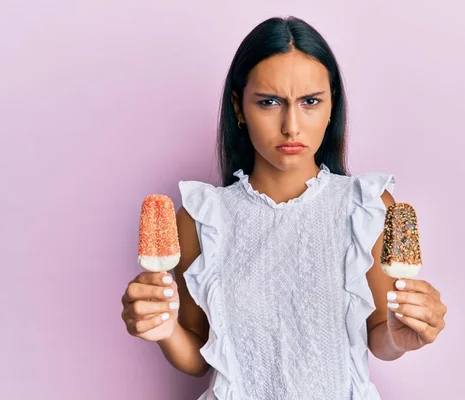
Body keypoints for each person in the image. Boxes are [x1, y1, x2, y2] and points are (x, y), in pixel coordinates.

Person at [121, 16, 447, 399]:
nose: (291, 126)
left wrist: (401, 336)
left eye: (310, 102)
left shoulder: (366, 206)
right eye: (269, 102)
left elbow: (380, 336)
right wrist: (164, 330)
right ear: (239, 108)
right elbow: (199, 358)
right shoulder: (202, 216)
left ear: (331, 107)